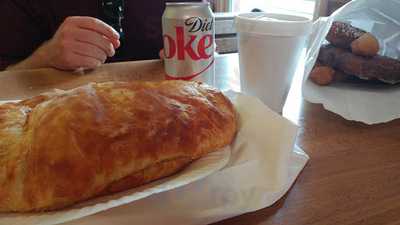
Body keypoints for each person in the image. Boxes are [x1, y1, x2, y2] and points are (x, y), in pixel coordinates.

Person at [0, 0, 201, 71]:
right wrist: (46, 57)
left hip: (167, 115)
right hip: (56, 124)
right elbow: (5, 79)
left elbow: (202, 49)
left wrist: (196, 56)